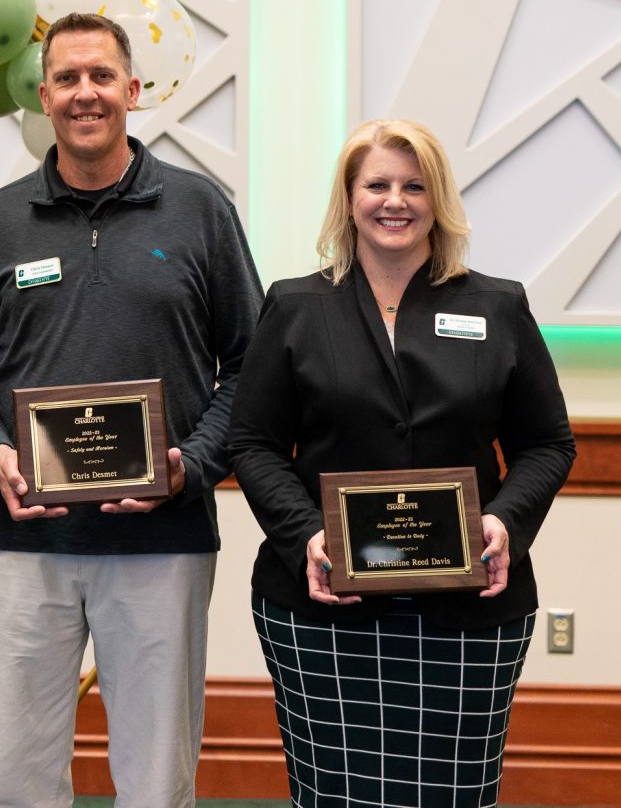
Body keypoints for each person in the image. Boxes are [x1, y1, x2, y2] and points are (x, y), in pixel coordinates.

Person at [0, 11, 263, 808]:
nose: (86, 92)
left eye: (102, 76)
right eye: (68, 78)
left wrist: (189, 467)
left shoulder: (201, 210)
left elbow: (252, 368)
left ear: (134, 89)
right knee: (18, 776)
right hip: (22, 540)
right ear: (43, 95)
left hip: (164, 537)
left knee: (156, 779)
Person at [228, 119, 575, 808]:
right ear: (349, 197)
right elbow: (253, 444)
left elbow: (547, 444)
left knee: (455, 791)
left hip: (471, 610)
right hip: (324, 606)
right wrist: (307, 536)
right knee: (335, 791)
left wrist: (504, 521)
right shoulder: (296, 305)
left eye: (415, 185)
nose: (396, 200)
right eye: (377, 184)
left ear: (438, 199)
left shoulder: (496, 305)